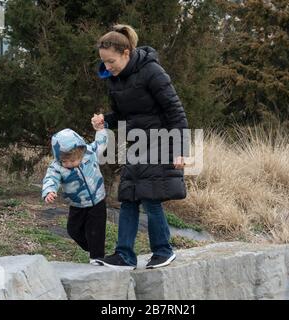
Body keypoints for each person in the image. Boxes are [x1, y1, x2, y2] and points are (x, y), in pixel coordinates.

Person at [92, 24, 188, 270]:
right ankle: (124, 256)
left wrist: (181, 150)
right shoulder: (115, 79)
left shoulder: (152, 71)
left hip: (161, 140)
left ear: (126, 53)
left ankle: (164, 251)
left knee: (150, 196)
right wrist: (106, 120)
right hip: (136, 142)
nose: (107, 67)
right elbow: (124, 114)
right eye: (104, 62)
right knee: (129, 197)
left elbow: (176, 111)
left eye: (111, 61)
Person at [42, 122, 108, 265]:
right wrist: (49, 191)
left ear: (81, 151)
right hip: (77, 204)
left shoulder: (90, 152)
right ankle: (91, 246)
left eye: (74, 160)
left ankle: (97, 257)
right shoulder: (57, 167)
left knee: (96, 230)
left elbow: (101, 142)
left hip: (97, 201)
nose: (72, 164)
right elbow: (50, 179)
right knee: (73, 230)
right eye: (67, 161)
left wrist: (101, 129)